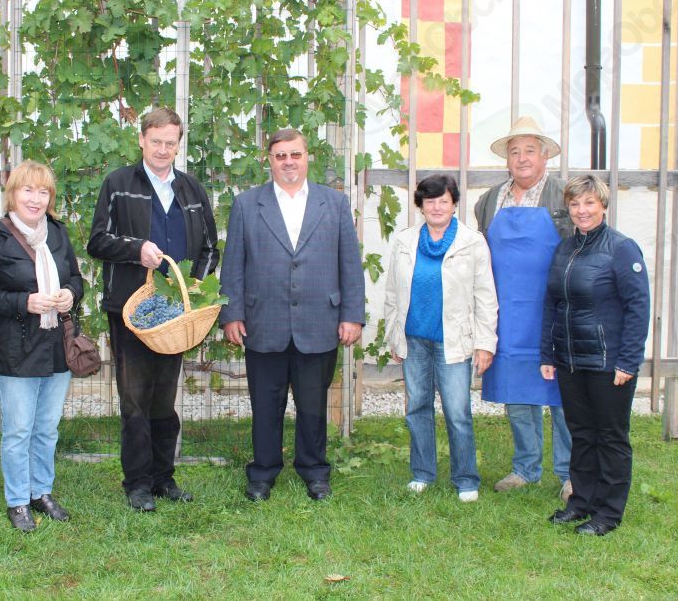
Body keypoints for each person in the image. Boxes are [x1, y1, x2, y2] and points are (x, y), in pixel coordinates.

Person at [219, 128, 366, 502]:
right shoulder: (247, 205)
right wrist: (232, 314)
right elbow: (233, 264)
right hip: (262, 322)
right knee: (265, 405)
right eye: (280, 155)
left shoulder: (334, 203)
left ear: (307, 157)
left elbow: (350, 264)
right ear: (269, 160)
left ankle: (315, 472)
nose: (288, 162)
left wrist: (352, 315)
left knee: (313, 405)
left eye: (295, 154)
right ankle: (262, 473)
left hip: (319, 321)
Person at [87, 106, 220, 512]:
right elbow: (97, 241)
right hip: (131, 312)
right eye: (156, 141)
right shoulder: (118, 184)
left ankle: (164, 479)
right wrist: (135, 249)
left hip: (175, 314)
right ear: (142, 140)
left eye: (170, 143)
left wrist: (194, 290)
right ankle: (138, 484)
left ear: (179, 145)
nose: (163, 149)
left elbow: (210, 248)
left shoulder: (192, 189)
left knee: (164, 400)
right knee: (134, 400)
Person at [0, 160, 84, 532]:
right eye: (28, 190)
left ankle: (42, 492)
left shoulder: (57, 233)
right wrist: (25, 302)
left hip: (56, 346)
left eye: (43, 192)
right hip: (15, 348)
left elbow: (76, 278)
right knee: (19, 430)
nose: (35, 199)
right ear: (13, 193)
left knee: (47, 428)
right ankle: (18, 500)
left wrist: (70, 294)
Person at [542, 175, 650, 535]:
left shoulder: (622, 249)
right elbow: (552, 303)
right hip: (570, 360)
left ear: (603, 205)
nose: (582, 210)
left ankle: (608, 512)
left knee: (610, 437)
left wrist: (628, 361)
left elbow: (638, 307)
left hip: (609, 363)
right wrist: (547, 353)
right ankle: (581, 502)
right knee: (582, 433)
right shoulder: (564, 248)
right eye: (575, 204)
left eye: (589, 203)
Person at [474, 115, 574, 501]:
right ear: (507, 159)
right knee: (516, 391)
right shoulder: (489, 201)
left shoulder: (564, 196)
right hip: (508, 315)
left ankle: (570, 473)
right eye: (515, 152)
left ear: (545, 156)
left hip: (555, 311)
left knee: (563, 396)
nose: (522, 158)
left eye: (530, 150)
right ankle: (525, 468)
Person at [383, 175, 498, 503]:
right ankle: (422, 473)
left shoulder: (472, 243)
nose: (436, 207)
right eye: (429, 201)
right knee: (417, 407)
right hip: (414, 340)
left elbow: (485, 296)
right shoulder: (405, 241)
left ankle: (466, 478)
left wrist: (485, 343)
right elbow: (392, 293)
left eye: (443, 201)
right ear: (420, 205)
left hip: (453, 341)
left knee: (457, 411)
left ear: (454, 204)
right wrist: (394, 336)